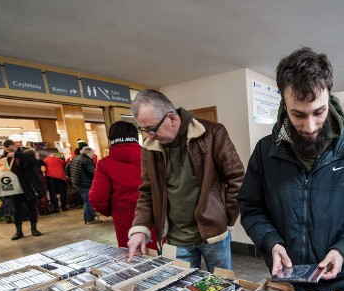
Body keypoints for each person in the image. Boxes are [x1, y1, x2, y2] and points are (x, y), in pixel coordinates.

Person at [238, 47, 344, 291]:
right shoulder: (265, 151)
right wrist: (271, 242)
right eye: (298, 115)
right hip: (284, 282)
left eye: (319, 112)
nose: (310, 126)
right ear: (284, 104)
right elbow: (251, 208)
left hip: (339, 282)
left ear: (329, 97)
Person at [127, 89, 245, 272]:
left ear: (172, 118)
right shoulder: (150, 148)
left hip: (213, 235)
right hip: (175, 239)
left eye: (151, 128)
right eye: (144, 130)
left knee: (224, 289)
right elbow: (147, 191)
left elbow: (237, 178)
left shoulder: (212, 133)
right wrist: (139, 228)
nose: (149, 135)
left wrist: (226, 219)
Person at [89, 121, 157, 250]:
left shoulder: (105, 164)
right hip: (155, 213)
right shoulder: (152, 158)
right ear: (136, 137)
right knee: (161, 255)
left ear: (111, 139)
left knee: (132, 256)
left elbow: (96, 197)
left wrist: (112, 211)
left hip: (124, 216)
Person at [1, 140, 45, 239]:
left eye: (9, 149)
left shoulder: (25, 152)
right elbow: (0, 169)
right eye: (6, 150)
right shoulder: (5, 157)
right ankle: (19, 231)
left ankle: (34, 229)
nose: (8, 151)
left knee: (32, 208)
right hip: (14, 188)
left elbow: (34, 162)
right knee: (16, 210)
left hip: (28, 186)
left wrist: (17, 155)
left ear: (14, 145)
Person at [66, 146, 98, 224]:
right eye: (92, 154)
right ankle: (90, 219)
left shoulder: (75, 158)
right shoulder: (86, 160)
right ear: (88, 152)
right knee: (88, 201)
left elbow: (67, 168)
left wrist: (72, 178)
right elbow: (93, 172)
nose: (93, 156)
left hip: (77, 183)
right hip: (85, 183)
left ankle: (86, 219)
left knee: (85, 201)